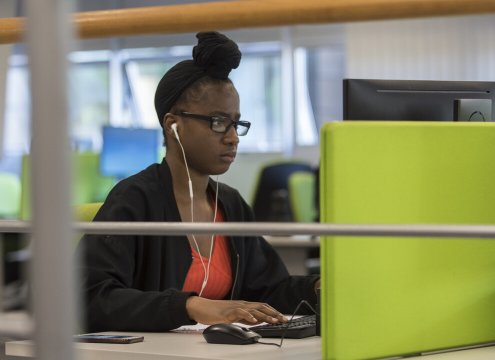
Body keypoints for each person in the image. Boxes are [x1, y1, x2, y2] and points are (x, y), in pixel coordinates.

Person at [77, 32, 320, 332]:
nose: (232, 138)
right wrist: (191, 306)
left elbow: (266, 291)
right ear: (173, 125)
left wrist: (318, 287)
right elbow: (89, 297)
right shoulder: (134, 199)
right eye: (217, 122)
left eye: (236, 124)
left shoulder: (231, 205)